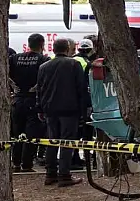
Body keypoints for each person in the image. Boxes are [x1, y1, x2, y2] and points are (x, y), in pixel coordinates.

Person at [36, 38, 89, 187]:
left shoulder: (43, 67)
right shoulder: (74, 64)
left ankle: (50, 174)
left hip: (50, 110)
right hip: (69, 109)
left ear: (53, 50)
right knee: (67, 142)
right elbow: (81, 89)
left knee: (52, 141)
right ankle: (64, 175)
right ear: (67, 49)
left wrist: (39, 108)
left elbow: (39, 89)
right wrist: (84, 110)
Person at [9, 34, 50, 172]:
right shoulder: (44, 59)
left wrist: (13, 85)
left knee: (16, 134)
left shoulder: (15, 58)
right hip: (34, 100)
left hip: (17, 99)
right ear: (42, 45)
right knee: (32, 135)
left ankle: (15, 163)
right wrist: (37, 87)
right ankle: (27, 164)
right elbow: (46, 80)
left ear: (28, 44)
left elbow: (4, 72)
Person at [70, 38, 95, 169]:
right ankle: (86, 156)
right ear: (90, 50)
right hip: (85, 102)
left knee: (74, 133)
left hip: (71, 101)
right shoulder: (87, 63)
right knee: (86, 132)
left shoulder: (72, 60)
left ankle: (75, 158)